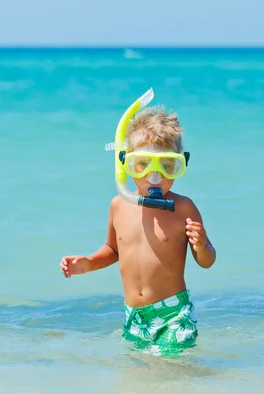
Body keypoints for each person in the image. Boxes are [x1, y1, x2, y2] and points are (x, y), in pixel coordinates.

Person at [60, 105, 216, 355]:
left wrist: (202, 245)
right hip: (133, 315)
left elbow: (206, 261)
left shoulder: (183, 207)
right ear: (125, 163)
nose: (154, 176)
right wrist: (88, 263)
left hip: (173, 313)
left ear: (181, 164)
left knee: (175, 374)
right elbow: (113, 249)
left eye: (167, 165)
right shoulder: (118, 205)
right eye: (142, 165)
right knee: (138, 378)